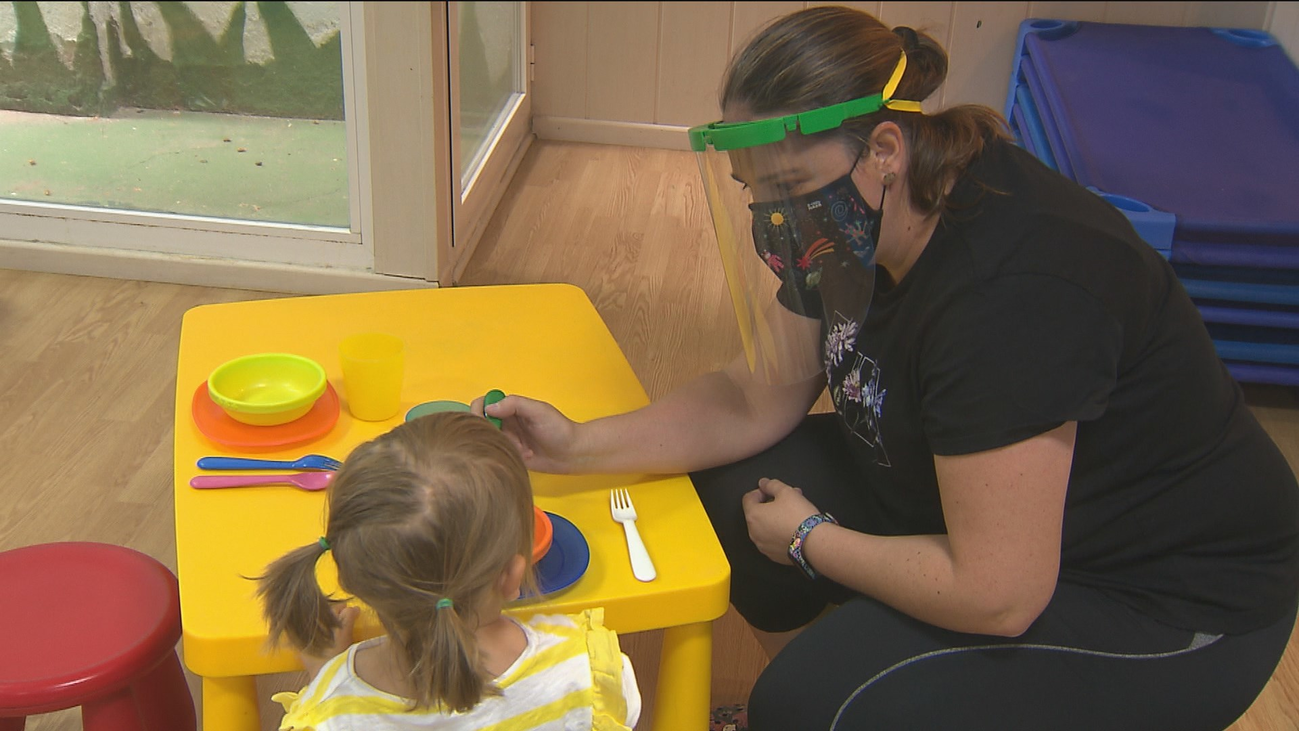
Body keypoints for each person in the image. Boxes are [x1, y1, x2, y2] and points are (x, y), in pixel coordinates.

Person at [473, 6, 1299, 730]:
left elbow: (998, 592)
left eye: (789, 184)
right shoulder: (851, 221)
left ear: (884, 148)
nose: (773, 217)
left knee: (809, 700)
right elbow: (751, 394)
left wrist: (811, 539)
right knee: (730, 494)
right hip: (984, 512)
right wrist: (575, 442)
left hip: (1163, 598)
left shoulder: (1010, 290)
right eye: (754, 191)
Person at [255, 411, 641, 730]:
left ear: (351, 574)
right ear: (511, 576)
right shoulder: (584, 671)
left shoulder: (327, 717)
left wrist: (325, 674)